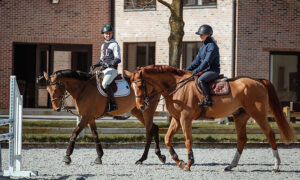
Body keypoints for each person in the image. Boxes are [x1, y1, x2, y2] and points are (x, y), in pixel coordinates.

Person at [187, 24, 220, 107]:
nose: (200, 36)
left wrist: (196, 71)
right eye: (200, 35)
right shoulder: (203, 45)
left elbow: (206, 62)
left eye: (202, 34)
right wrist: (187, 70)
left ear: (208, 34)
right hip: (205, 70)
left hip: (212, 71)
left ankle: (208, 100)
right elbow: (196, 61)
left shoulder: (212, 46)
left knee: (201, 80)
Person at [90, 24, 121, 112]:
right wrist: (95, 65)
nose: (108, 35)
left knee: (105, 84)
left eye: (109, 33)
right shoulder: (103, 45)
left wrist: (110, 64)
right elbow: (101, 60)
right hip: (103, 69)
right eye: (106, 33)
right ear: (103, 34)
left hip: (112, 70)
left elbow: (118, 59)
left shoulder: (115, 45)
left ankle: (113, 104)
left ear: (112, 34)